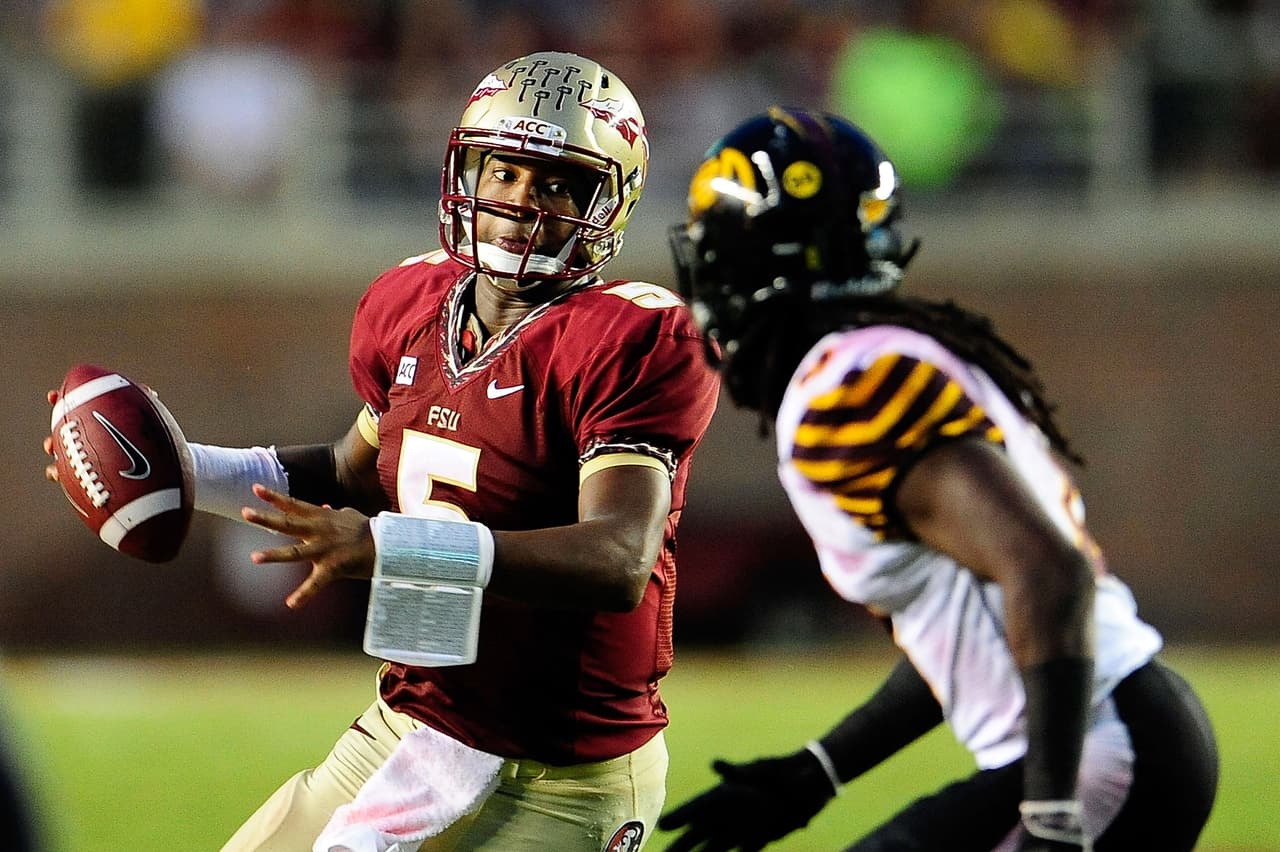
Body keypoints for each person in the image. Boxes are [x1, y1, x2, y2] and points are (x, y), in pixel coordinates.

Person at [44, 51, 719, 851]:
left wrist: (393, 547)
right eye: (504, 172)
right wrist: (185, 472)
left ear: (609, 202)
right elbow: (350, 474)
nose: (519, 202)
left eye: (557, 184)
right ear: (466, 171)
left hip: (558, 777)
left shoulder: (632, 337)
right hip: (410, 729)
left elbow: (619, 557)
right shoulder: (412, 303)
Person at [658, 108, 1218, 852]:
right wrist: (820, 770)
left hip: (1098, 751)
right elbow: (970, 634)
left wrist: (1050, 813)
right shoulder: (884, 359)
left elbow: (1051, 574)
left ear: (757, 262)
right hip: (1116, 736)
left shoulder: (849, 389)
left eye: (718, 254)